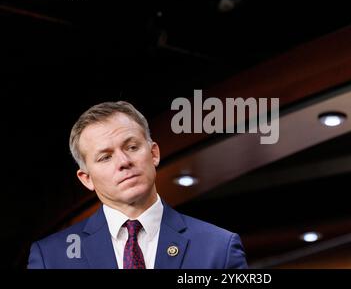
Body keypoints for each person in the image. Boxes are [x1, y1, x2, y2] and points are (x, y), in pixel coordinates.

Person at [28, 101, 247, 269]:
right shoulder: (51, 257)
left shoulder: (219, 248)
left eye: (132, 147)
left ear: (154, 153)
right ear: (87, 179)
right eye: (105, 157)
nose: (124, 162)